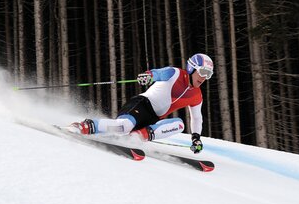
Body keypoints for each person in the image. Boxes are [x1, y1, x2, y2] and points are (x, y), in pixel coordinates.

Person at [71, 53, 214, 154]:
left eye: (208, 74)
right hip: (141, 105)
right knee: (123, 126)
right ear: (191, 68)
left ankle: (135, 138)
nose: (204, 77)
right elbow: (158, 73)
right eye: (202, 72)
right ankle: (83, 126)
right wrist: (149, 75)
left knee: (180, 124)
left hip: (153, 120)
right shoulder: (175, 73)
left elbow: (196, 118)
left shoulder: (197, 95)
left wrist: (196, 138)